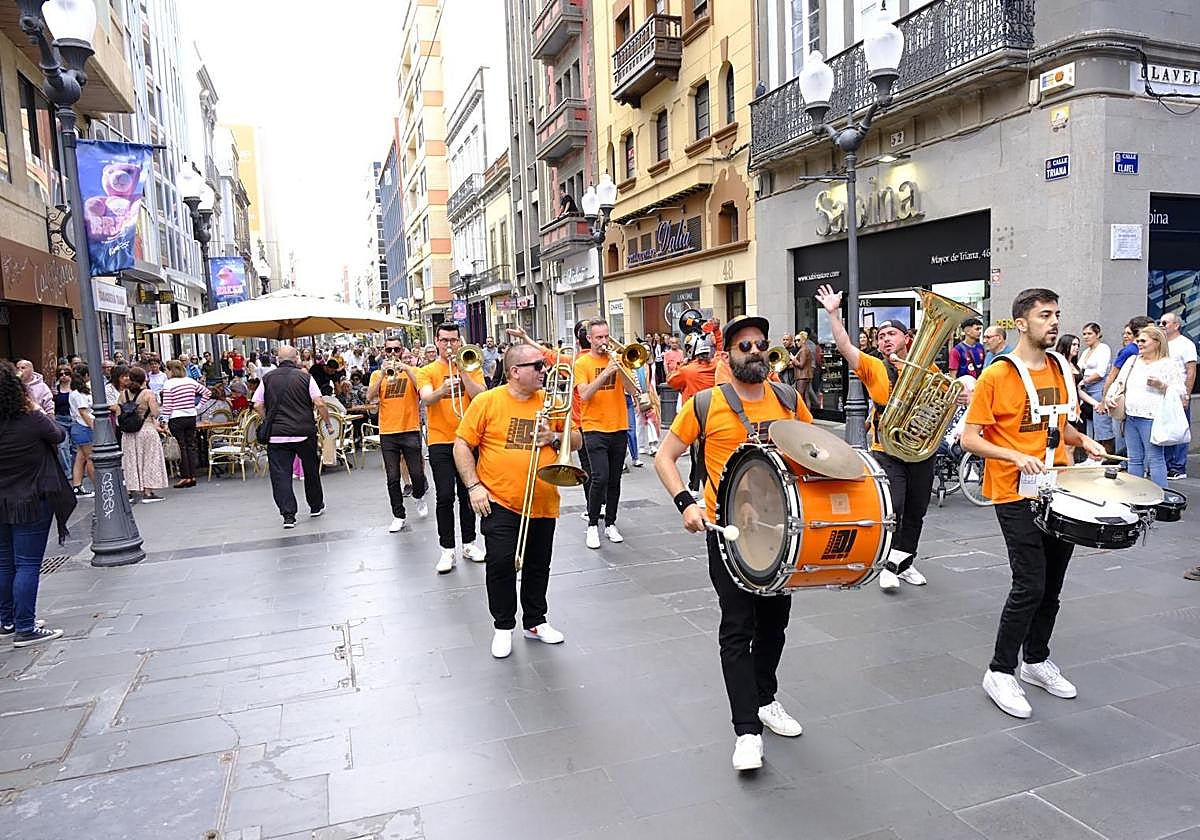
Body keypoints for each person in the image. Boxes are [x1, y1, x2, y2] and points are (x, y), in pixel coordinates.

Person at [654, 314, 813, 771]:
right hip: (729, 532)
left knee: (775, 624)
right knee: (738, 627)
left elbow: (814, 445)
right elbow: (665, 456)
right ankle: (746, 730)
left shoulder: (786, 397)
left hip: (782, 532)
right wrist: (687, 503)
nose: (756, 351)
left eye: (761, 344)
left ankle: (765, 699)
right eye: (745, 346)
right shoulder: (706, 403)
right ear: (727, 356)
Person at [962, 288, 1106, 719]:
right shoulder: (997, 376)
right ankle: (1000, 671)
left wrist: (1086, 441)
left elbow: (1061, 428)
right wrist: (1013, 455)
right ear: (1021, 323)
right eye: (1045, 315)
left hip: (1060, 486)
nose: (1054, 322)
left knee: (1053, 587)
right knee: (1029, 584)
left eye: (1057, 314)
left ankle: (1037, 660)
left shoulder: (1063, 367)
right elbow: (971, 438)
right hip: (1013, 492)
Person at [454, 343, 582, 658]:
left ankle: (535, 621)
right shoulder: (487, 401)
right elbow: (461, 444)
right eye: (537, 366)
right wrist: (473, 487)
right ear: (514, 372)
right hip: (498, 499)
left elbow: (577, 438)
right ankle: (503, 626)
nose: (544, 371)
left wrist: (552, 437)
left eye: (544, 365)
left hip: (543, 498)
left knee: (539, 565)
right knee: (500, 562)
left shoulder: (552, 402)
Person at [815, 284, 936, 590]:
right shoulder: (872, 366)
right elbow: (844, 346)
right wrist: (833, 313)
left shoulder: (925, 365)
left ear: (906, 339)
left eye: (890, 334)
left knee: (917, 510)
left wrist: (960, 395)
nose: (885, 340)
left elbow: (940, 398)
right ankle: (886, 565)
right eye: (881, 336)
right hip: (888, 447)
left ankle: (904, 562)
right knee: (893, 505)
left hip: (921, 449)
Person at [0, 360, 74, 647]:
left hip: (2, 500)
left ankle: (7, 621)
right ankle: (26, 627)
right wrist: (34, 407)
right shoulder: (30, 418)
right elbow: (58, 435)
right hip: (32, 498)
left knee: (5, 563)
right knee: (28, 564)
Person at [418, 323, 488, 573]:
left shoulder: (471, 365)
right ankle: (447, 549)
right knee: (445, 495)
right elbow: (426, 398)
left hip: (467, 440)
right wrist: (442, 390)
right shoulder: (426, 370)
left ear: (460, 341)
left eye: (454, 340)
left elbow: (481, 396)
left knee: (469, 493)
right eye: (445, 340)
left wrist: (463, 372)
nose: (449, 345)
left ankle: (469, 543)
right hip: (440, 440)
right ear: (436, 341)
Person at [575, 318, 641, 549]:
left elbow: (633, 390)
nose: (604, 342)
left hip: (619, 426)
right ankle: (593, 524)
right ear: (590, 339)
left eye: (606, 336)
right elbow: (584, 395)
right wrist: (604, 374)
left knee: (615, 479)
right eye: (599, 337)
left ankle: (611, 523)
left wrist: (621, 369)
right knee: (599, 477)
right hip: (594, 428)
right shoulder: (582, 363)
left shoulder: (619, 360)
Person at [254, 346, 332, 528]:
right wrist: (327, 423)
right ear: (296, 358)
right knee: (311, 469)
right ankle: (315, 505)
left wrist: (268, 420)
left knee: (281, 475)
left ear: (278, 359)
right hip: (304, 432)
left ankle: (288, 515)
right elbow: (319, 402)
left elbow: (257, 404)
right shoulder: (305, 377)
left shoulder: (267, 378)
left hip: (277, 435)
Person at [1108, 324, 1183, 488]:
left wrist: (1162, 385)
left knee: (1155, 458)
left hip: (1152, 417)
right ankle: (1137, 497)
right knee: (1134, 458)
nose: (1139, 344)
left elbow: (1180, 392)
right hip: (1130, 416)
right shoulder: (1132, 360)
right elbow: (1119, 382)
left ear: (1157, 342)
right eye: (1138, 341)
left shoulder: (1167, 364)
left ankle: (1160, 501)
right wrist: (1110, 398)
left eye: (1143, 341)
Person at [368, 336, 429, 533]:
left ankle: (419, 495)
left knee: (417, 474)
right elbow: (370, 397)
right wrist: (383, 375)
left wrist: (407, 368)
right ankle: (398, 515)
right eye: (389, 350)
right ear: (384, 352)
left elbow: (421, 390)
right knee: (392, 477)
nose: (393, 354)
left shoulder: (413, 371)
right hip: (388, 432)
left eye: (396, 350)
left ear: (402, 351)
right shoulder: (378, 374)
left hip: (410, 429)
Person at [667, 341, 717, 500]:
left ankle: (702, 490)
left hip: (696, 417)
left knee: (699, 456)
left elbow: (671, 381)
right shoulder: (717, 366)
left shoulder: (687, 371)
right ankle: (695, 486)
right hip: (715, 415)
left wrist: (683, 364)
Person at [160, 360, 213, 489]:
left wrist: (164, 420)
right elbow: (207, 392)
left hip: (176, 417)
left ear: (171, 370)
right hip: (190, 416)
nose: (166, 372)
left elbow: (167, 405)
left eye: (167, 370)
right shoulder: (190, 381)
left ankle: (185, 476)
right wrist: (197, 407)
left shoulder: (168, 384)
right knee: (190, 445)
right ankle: (192, 475)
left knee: (181, 446)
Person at [118, 367, 168, 504]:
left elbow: (118, 412)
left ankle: (131, 490)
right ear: (144, 379)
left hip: (128, 433)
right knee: (149, 460)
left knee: (130, 461)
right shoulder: (148, 394)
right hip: (146, 429)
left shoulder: (123, 394)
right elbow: (155, 412)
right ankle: (148, 491)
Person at [1159, 312, 1196, 479]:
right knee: (1166, 428)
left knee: (1180, 428)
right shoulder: (1161, 344)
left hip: (1179, 392)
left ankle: (1178, 466)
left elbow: (1191, 371)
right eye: (1160, 322)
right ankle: (1165, 463)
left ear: (1176, 325)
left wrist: (1186, 396)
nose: (1162, 325)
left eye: (1165, 323)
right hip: (1163, 393)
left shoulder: (1186, 345)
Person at [1077, 323, 1113, 450]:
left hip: (1099, 387)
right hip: (1086, 390)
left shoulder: (1104, 348)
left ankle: (1106, 454)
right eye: (1084, 334)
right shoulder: (1086, 351)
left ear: (1097, 334)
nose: (1086, 337)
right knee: (1089, 422)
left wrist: (1083, 382)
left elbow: (1101, 373)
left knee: (1101, 423)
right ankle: (1093, 454)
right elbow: (1079, 368)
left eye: (1089, 333)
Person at [68, 368, 95, 498]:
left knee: (80, 457)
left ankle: (77, 486)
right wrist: (93, 427)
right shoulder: (79, 394)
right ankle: (98, 485)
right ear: (86, 375)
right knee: (90, 458)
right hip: (83, 426)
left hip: (78, 426)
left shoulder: (74, 393)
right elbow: (83, 412)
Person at [51, 364, 74, 477]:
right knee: (62, 447)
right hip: (60, 419)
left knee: (76, 447)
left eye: (67, 373)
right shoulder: (55, 389)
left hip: (74, 419)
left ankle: (77, 470)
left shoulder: (75, 387)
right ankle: (67, 472)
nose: (64, 376)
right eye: (61, 374)